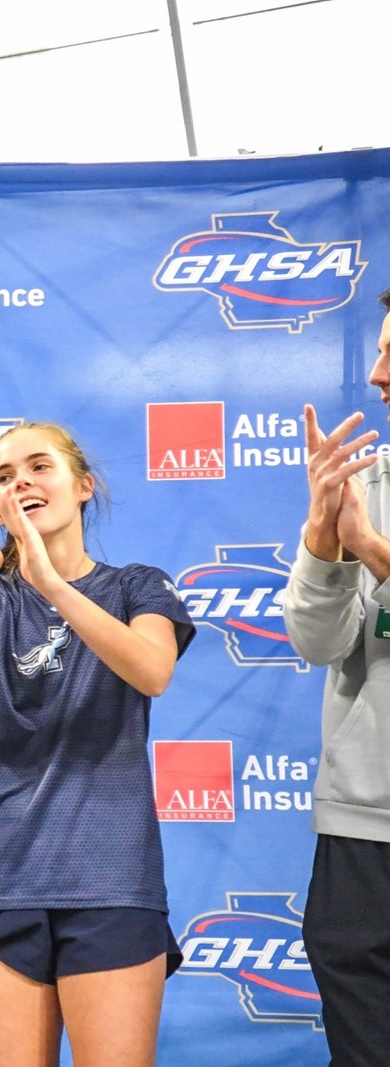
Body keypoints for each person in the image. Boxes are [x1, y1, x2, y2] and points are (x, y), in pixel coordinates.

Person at [0, 423, 194, 1067]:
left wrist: (53, 584)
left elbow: (152, 670)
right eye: (2, 475)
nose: (19, 481)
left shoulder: (137, 585)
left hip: (110, 880)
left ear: (83, 486)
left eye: (38, 466)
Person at [283, 286, 390, 1067]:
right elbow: (320, 643)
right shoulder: (365, 484)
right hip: (364, 821)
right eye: (379, 351)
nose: (378, 374)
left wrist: (373, 550)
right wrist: (326, 541)